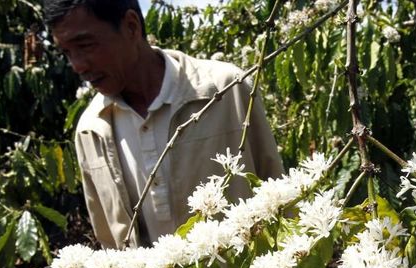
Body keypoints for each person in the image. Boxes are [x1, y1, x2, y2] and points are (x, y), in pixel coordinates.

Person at [44, 0, 284, 249]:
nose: (78, 65)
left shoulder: (226, 90)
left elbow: (277, 193)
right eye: (67, 52)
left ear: (131, 26)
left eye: (86, 45)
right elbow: (110, 244)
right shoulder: (91, 130)